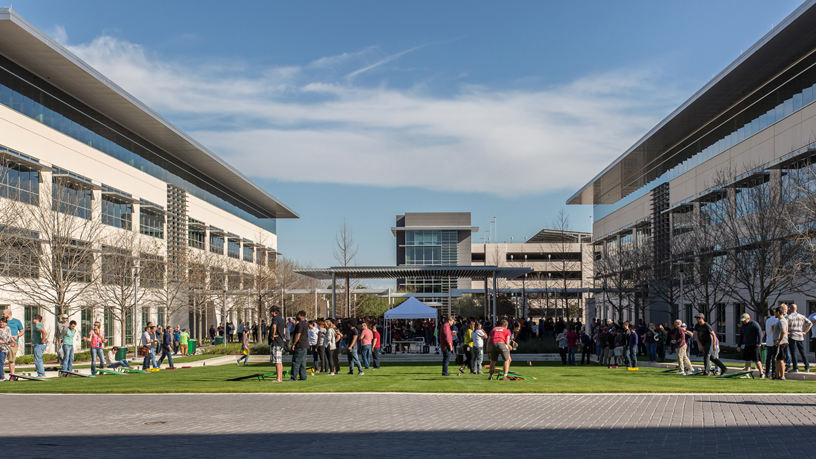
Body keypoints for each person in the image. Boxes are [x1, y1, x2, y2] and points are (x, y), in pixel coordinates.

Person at [785, 303, 811, 373]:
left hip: (792, 335)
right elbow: (810, 323)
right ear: (796, 309)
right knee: (802, 351)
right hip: (800, 335)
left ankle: (795, 367)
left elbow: (785, 327)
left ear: (790, 309)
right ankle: (807, 366)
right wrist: (805, 331)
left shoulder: (788, 317)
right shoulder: (801, 316)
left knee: (793, 352)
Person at [738, 313, 764, 378]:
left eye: (745, 320)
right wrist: (739, 346)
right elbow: (741, 336)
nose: (743, 322)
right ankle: (747, 374)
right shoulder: (743, 326)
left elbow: (759, 333)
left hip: (754, 345)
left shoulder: (754, 324)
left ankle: (761, 373)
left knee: (756, 360)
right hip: (746, 345)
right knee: (747, 360)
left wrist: (759, 342)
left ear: (748, 319)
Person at [289, 310, 310, 381]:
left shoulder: (300, 324)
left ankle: (293, 376)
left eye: (297, 314)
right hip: (305, 344)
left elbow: (298, 335)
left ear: (301, 315)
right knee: (302, 362)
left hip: (300, 345)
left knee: (296, 361)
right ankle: (303, 376)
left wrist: (294, 344)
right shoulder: (305, 324)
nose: (296, 316)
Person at [3, 308, 23, 377]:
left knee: (11, 360)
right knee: (2, 359)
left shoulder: (17, 321)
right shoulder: (2, 322)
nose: (2, 315)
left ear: (8, 314)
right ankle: (2, 375)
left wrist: (17, 336)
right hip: (3, 343)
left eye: (4, 314)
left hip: (13, 344)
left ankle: (12, 375)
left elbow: (22, 331)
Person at [269, 306, 287, 382]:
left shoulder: (275, 318)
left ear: (274, 312)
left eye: (271, 312)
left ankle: (278, 379)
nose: (270, 313)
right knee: (280, 361)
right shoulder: (282, 319)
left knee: (277, 362)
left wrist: (272, 335)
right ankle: (280, 378)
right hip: (280, 342)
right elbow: (284, 331)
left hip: (276, 342)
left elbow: (274, 326)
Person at [772, 306, 789, 380]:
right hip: (778, 343)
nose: (774, 314)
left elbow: (783, 331)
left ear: (778, 312)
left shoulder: (782, 320)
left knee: (781, 359)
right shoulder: (779, 320)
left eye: (775, 312)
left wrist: (779, 340)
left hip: (781, 343)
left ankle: (782, 376)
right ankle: (778, 375)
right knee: (777, 359)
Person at [764, 310, 779, 379]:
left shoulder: (767, 320)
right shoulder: (776, 320)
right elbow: (774, 329)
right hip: (774, 340)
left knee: (768, 358)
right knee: (774, 358)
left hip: (768, 340)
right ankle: (773, 372)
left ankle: (767, 372)